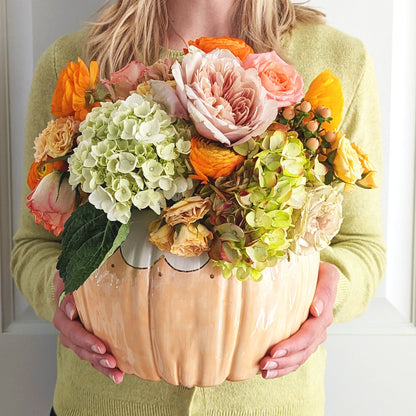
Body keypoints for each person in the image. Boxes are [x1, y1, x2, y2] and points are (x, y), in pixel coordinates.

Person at [11, 0, 386, 415]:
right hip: (105, 402)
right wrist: (58, 293)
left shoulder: (338, 61)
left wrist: (329, 293)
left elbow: (362, 245)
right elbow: (32, 245)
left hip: (268, 402)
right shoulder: (74, 66)